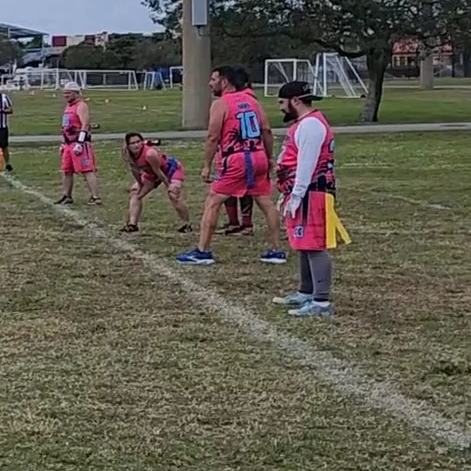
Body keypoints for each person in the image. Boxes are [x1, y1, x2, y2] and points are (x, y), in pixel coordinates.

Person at [178, 66, 286, 265]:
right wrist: (269, 157)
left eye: (213, 79)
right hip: (258, 155)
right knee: (265, 201)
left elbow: (213, 137)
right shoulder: (253, 101)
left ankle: (202, 251)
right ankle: (277, 250)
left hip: (236, 159)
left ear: (224, 81)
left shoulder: (221, 104)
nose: (210, 84)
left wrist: (206, 165)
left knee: (213, 201)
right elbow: (267, 130)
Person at [272, 81, 349, 317]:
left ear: (295, 101)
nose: (281, 108)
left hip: (312, 192)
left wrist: (296, 194)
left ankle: (321, 302)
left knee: (314, 245)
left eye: (282, 102)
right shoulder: (305, 124)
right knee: (303, 242)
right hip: (304, 191)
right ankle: (306, 291)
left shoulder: (311, 125)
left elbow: (307, 163)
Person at [122, 133, 192, 233]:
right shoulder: (127, 155)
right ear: (128, 145)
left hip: (170, 170)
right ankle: (132, 225)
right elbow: (135, 171)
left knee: (173, 195)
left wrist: (168, 186)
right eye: (132, 143)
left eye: (138, 142)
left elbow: (159, 171)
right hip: (152, 173)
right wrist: (140, 184)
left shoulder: (149, 154)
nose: (136, 145)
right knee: (135, 192)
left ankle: (186, 224)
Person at [57, 82, 100, 205]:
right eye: (65, 93)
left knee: (87, 170)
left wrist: (80, 142)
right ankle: (67, 195)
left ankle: (95, 196)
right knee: (67, 170)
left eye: (69, 93)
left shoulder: (81, 106)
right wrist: (63, 142)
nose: (66, 95)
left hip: (79, 143)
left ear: (76, 93)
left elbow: (85, 124)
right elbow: (66, 126)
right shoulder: (68, 107)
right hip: (68, 143)